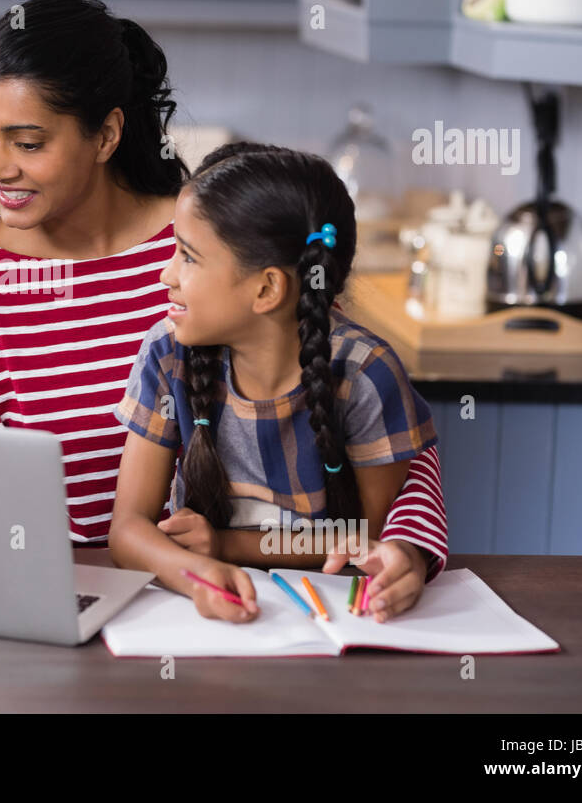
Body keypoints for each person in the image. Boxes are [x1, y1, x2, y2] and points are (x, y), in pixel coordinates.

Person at [0, 0, 448, 609]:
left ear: (106, 134)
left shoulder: (215, 241)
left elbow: (353, 413)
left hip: (245, 592)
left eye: (28, 142)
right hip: (59, 593)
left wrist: (405, 548)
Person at [109, 143, 439, 622]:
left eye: (189, 257)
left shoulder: (366, 373)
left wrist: (224, 545)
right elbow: (128, 530)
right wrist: (193, 573)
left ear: (266, 289)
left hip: (332, 614)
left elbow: (362, 536)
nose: (166, 274)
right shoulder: (168, 354)